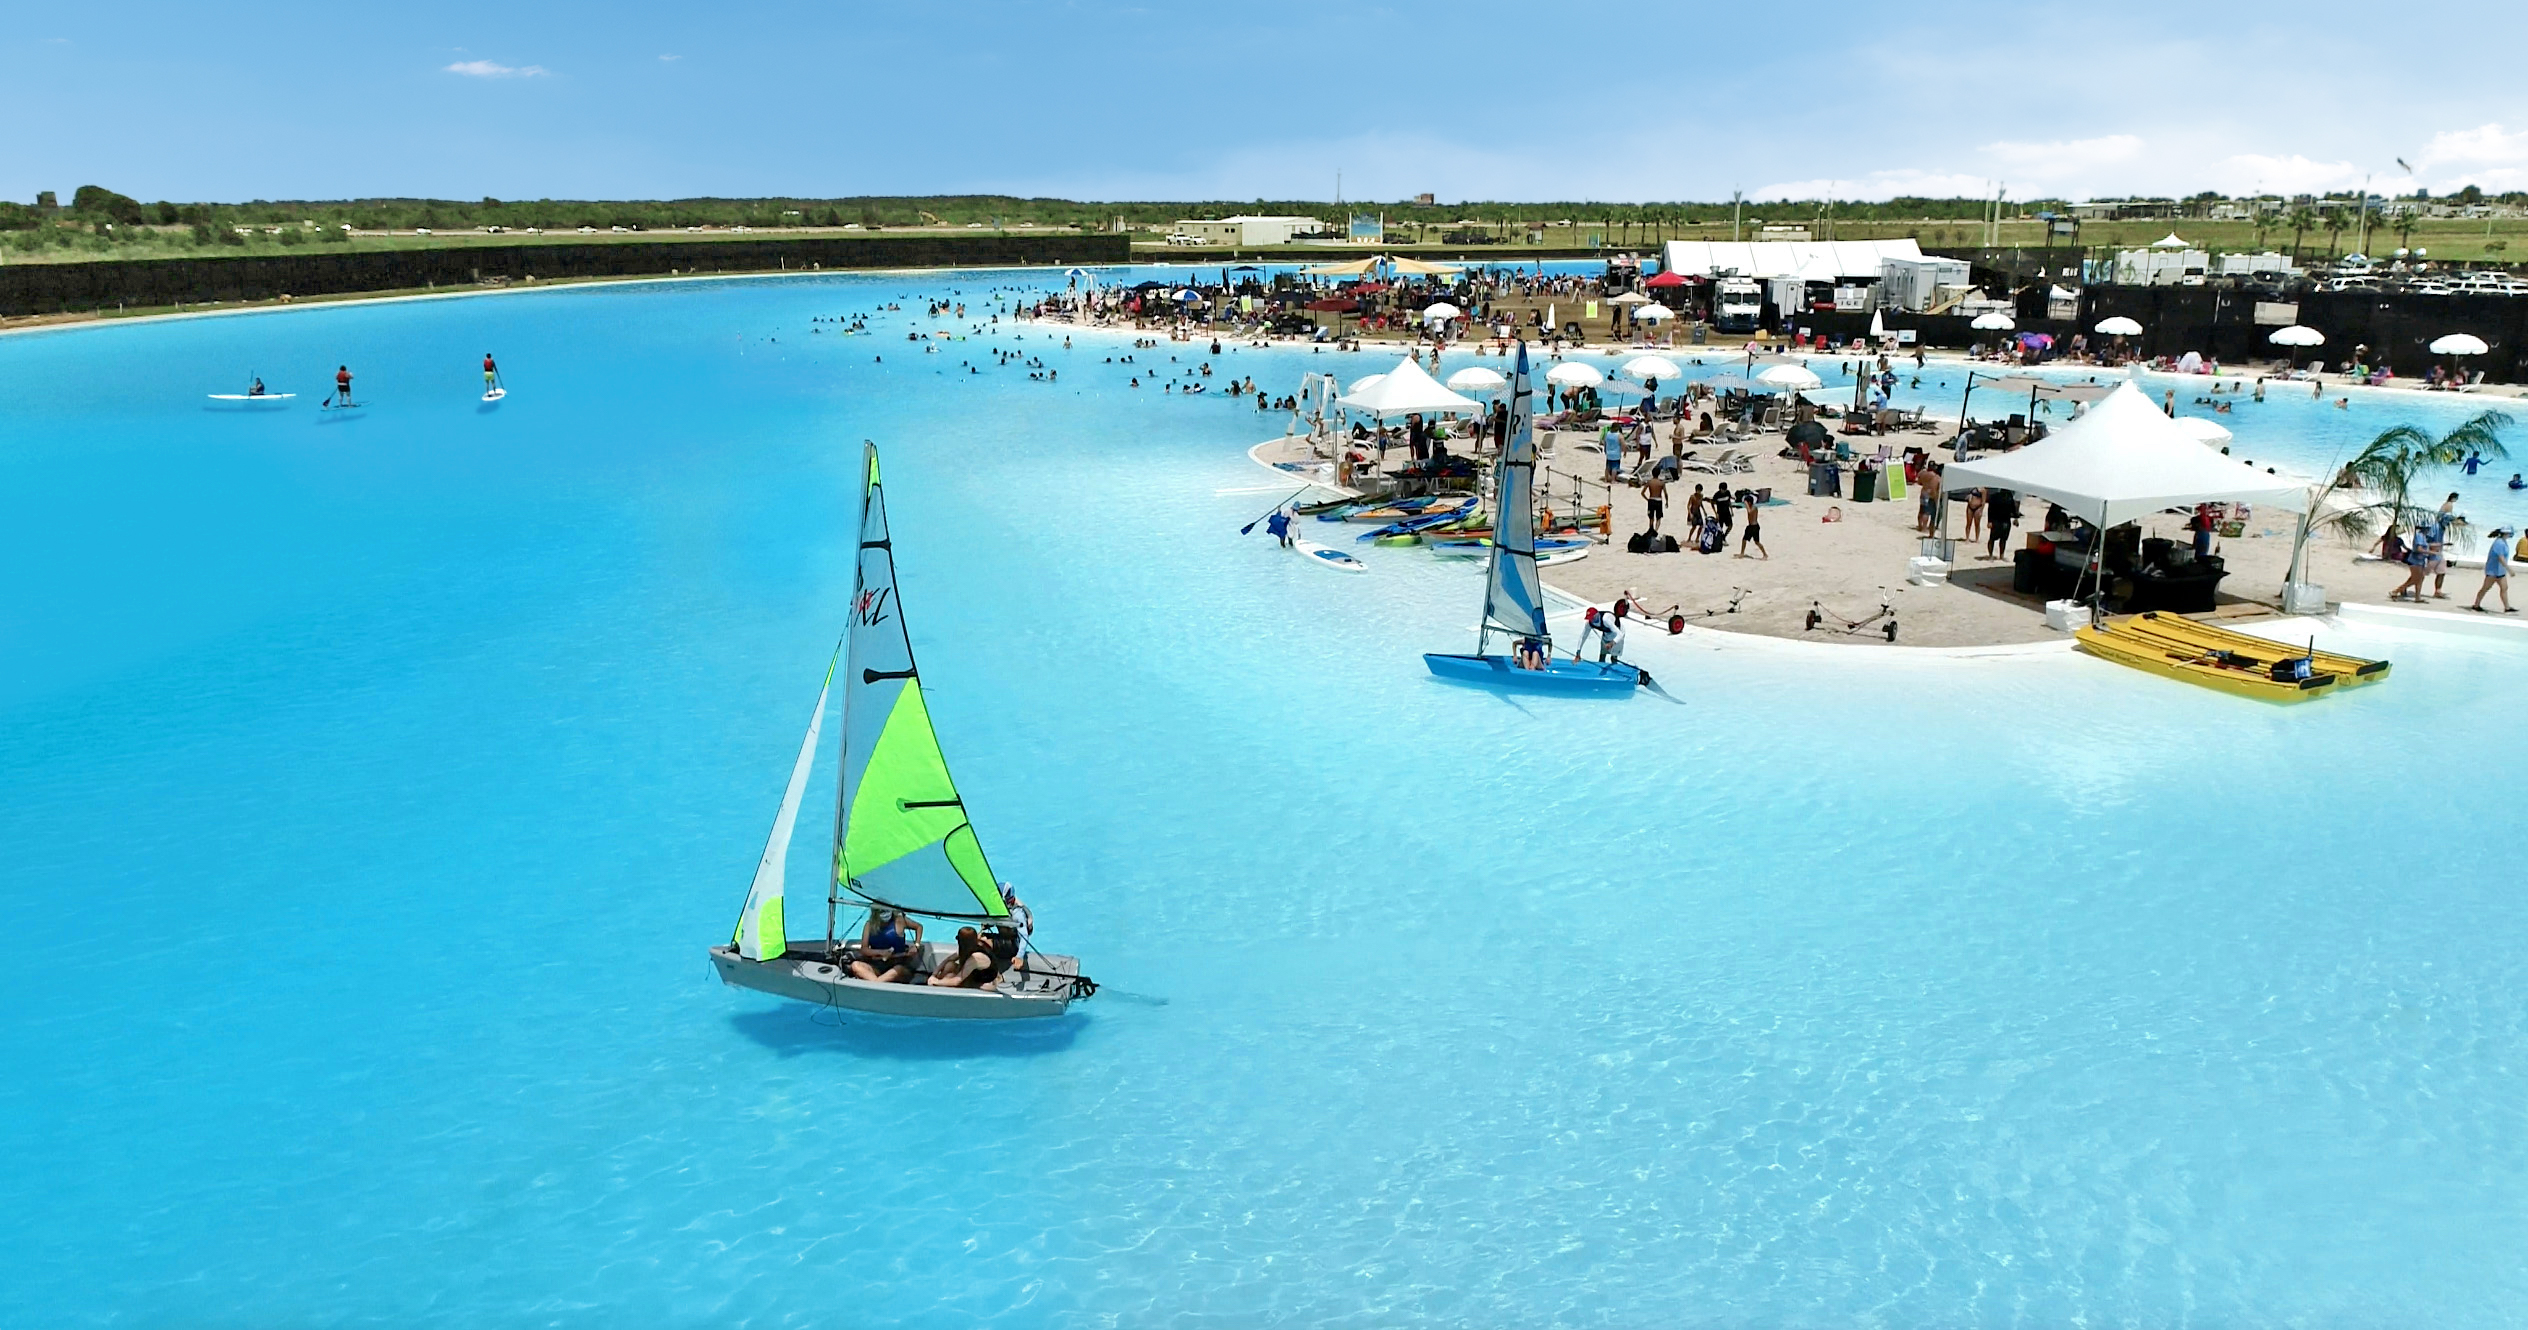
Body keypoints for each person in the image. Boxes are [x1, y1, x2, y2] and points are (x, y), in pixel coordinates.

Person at [849, 909, 922, 984]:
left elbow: (919, 927)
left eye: (887, 910)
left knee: (897, 970)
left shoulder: (900, 920)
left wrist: (916, 945)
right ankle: (878, 983)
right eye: (882, 911)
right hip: (878, 965)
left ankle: (875, 984)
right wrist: (881, 952)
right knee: (856, 965)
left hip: (898, 965)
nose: (885, 913)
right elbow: (864, 949)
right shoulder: (869, 925)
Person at [2470, 526, 2516, 612]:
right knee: (2485, 588)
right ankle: (2476, 605)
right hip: (2493, 570)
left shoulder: (2503, 542)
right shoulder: (2499, 543)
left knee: (2504, 588)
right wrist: (2509, 570)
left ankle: (2507, 607)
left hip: (2500, 571)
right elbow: (2501, 558)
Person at [2432, 493, 2460, 599]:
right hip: (2436, 546)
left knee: (2440, 570)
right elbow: (2445, 517)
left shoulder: (2445, 504)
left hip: (2438, 538)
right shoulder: (2449, 505)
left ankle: (2438, 591)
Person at [1986, 489, 2019, 560]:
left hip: (2006, 520)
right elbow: (1990, 509)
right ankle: (1990, 555)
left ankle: (2001, 555)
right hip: (1996, 520)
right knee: (1992, 538)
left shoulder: (2009, 497)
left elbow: (2013, 508)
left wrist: (2016, 518)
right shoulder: (1995, 496)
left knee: (2003, 539)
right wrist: (1989, 521)